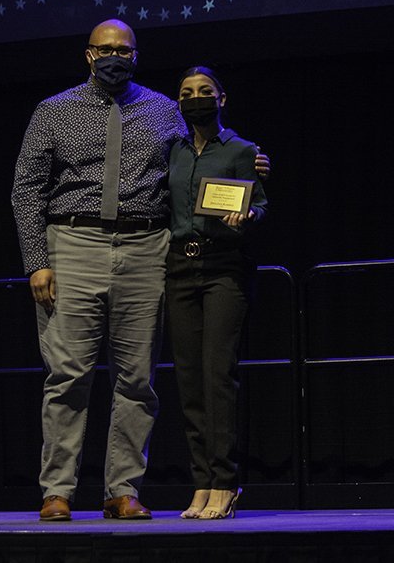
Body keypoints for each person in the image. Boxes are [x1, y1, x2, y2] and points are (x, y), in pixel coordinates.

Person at [12, 20, 269, 522]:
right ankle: (57, 490)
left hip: (146, 248)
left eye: (124, 50)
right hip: (73, 242)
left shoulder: (163, 110)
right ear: (89, 55)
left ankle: (122, 489)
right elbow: (27, 189)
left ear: (136, 55)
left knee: (137, 379)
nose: (115, 56)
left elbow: (208, 143)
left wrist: (251, 160)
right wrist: (36, 262)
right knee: (68, 375)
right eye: (105, 49)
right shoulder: (53, 111)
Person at [165, 67, 268, 519]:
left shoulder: (243, 150)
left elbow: (260, 202)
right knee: (188, 380)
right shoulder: (173, 152)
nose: (196, 98)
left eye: (205, 92)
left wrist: (247, 216)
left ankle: (225, 482)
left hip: (224, 267)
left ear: (222, 99)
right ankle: (202, 481)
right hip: (179, 269)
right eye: (187, 93)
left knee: (217, 376)